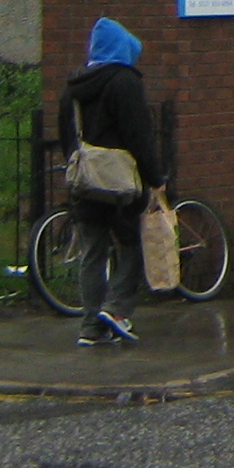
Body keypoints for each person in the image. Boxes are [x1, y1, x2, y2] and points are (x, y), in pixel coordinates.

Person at [61, 17, 165, 347]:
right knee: (133, 245)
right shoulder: (125, 83)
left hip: (86, 183)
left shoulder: (73, 88)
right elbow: (140, 136)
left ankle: (91, 327)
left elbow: (67, 139)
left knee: (92, 252)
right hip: (120, 183)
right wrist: (155, 178)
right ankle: (117, 309)